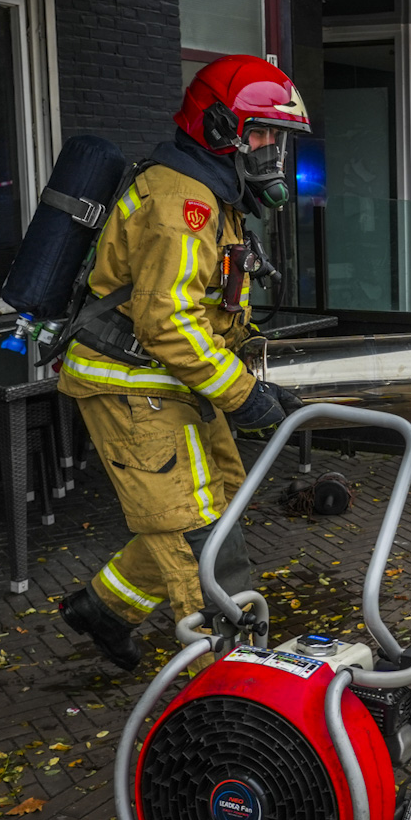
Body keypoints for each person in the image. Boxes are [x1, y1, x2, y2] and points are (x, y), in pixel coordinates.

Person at [56, 56, 310, 670]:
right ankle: (234, 686)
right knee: (197, 534)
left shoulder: (210, 196)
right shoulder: (181, 205)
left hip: (172, 383)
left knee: (212, 507)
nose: (271, 153)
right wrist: (242, 394)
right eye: (261, 135)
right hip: (133, 386)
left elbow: (205, 310)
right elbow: (168, 321)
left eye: (277, 140)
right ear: (219, 129)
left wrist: (256, 382)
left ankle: (104, 610)